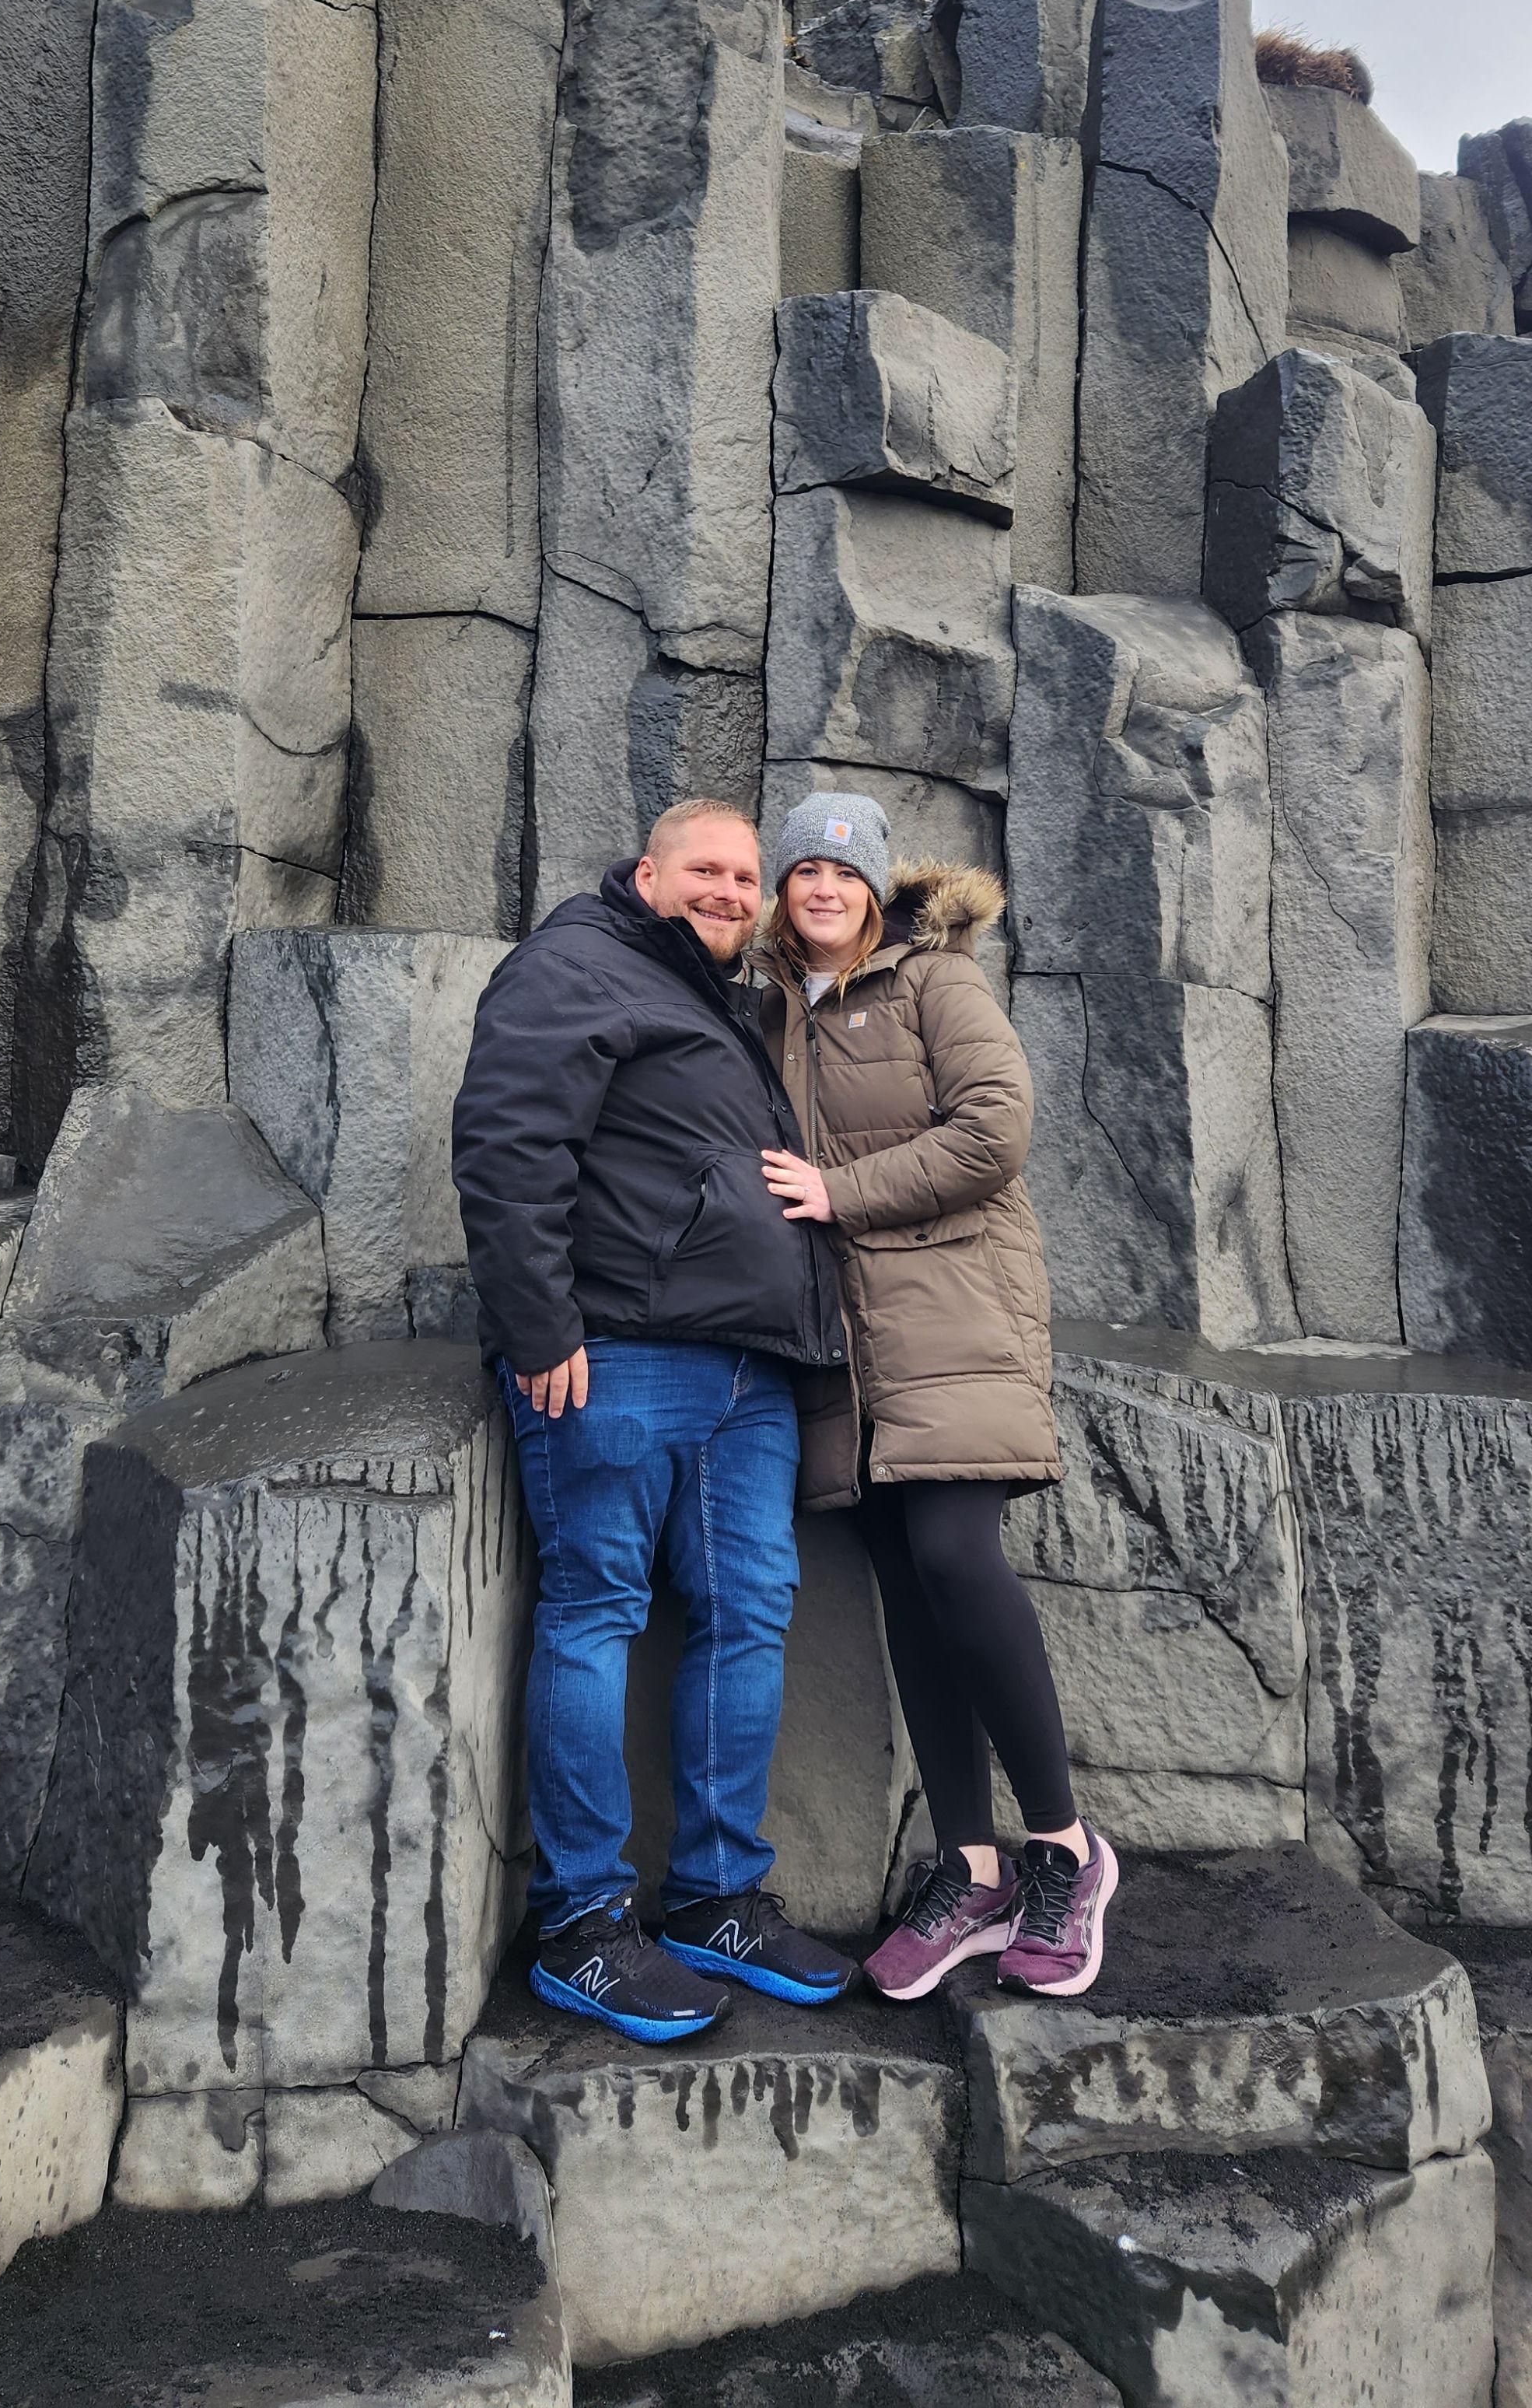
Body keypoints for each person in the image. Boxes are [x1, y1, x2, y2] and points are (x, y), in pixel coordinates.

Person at [451, 798, 861, 2042]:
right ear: (647, 872)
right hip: (619, 1359)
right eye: (708, 870)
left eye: (748, 874)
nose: (735, 891)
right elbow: (508, 1143)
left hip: (749, 1375)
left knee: (748, 1616)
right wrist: (542, 1329)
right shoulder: (578, 965)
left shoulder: (708, 999)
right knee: (597, 1614)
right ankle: (581, 1921)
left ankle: (714, 1898)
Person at [750, 791, 1118, 2000]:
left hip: (953, 1316)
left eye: (842, 872)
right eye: (801, 868)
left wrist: (837, 1192)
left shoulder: (932, 983)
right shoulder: (768, 1014)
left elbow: (994, 1134)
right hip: (844, 1348)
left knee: (959, 1558)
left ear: (875, 888)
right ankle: (972, 1869)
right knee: (909, 1585)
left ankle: (1064, 1847)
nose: (822, 889)